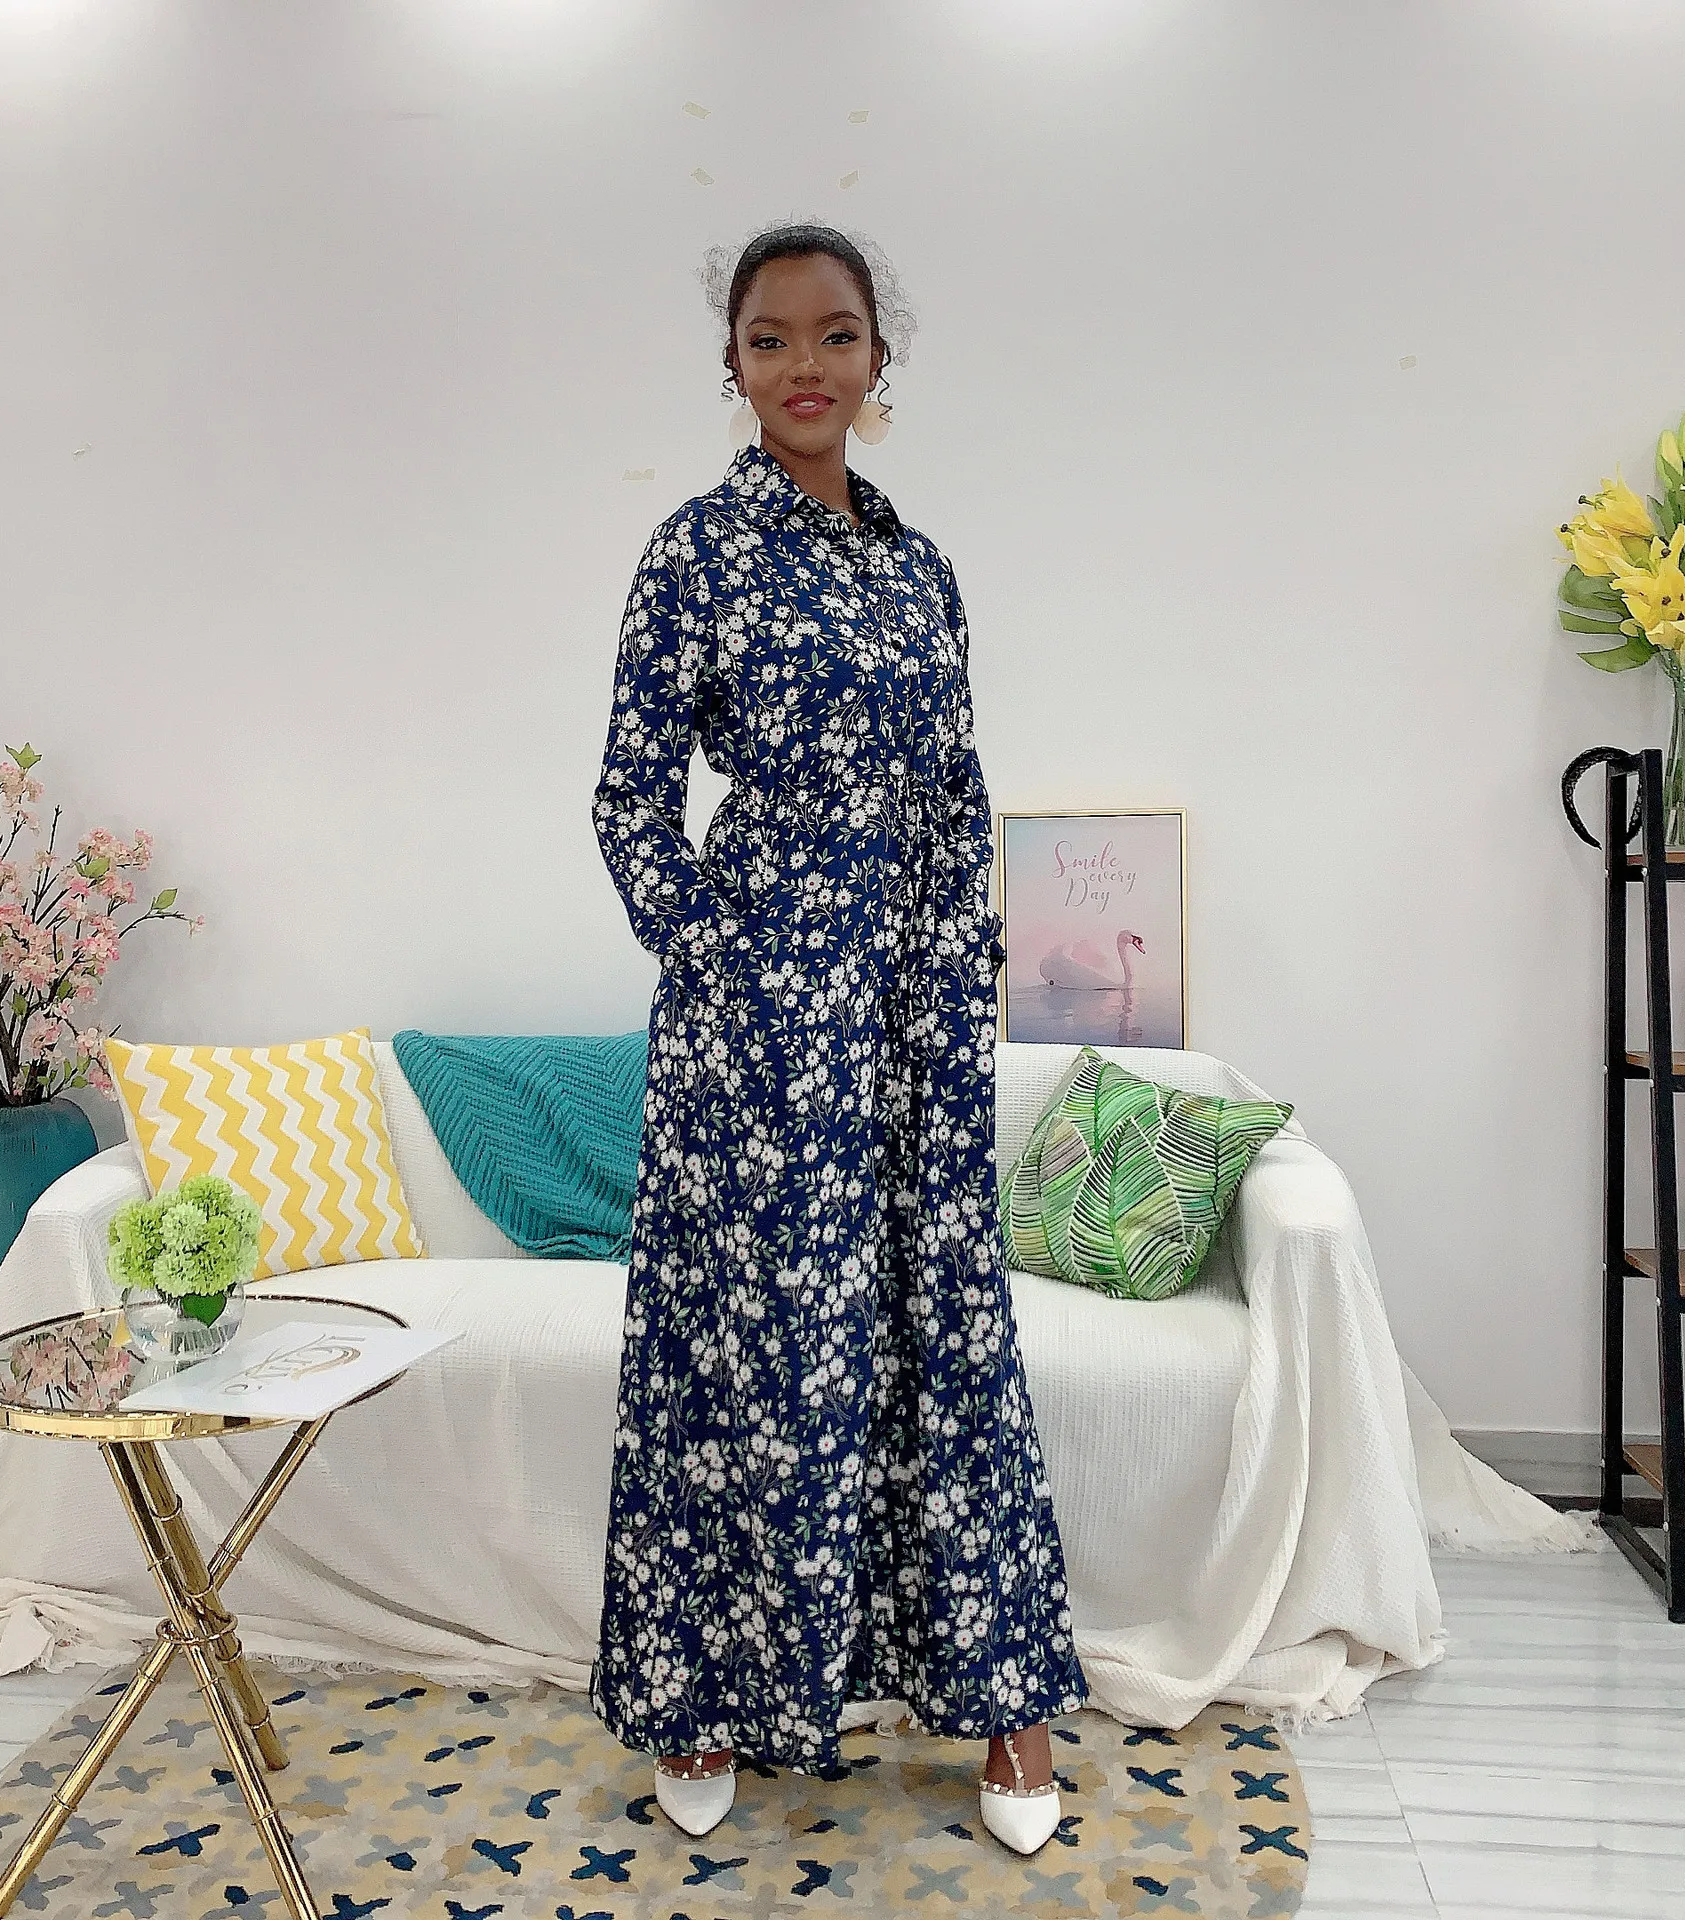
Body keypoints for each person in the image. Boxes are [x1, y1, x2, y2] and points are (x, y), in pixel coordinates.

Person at [588, 223, 1085, 1856]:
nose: (805, 365)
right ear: (732, 363)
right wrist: (722, 962)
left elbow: (955, 789)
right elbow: (631, 801)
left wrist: (964, 973)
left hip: (915, 1007)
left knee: (946, 1333)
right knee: (746, 1353)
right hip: (752, 1033)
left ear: (881, 357)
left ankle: (1006, 1708)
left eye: (836, 334)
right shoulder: (695, 551)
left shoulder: (922, 568)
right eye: (770, 338)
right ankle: (703, 1694)